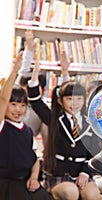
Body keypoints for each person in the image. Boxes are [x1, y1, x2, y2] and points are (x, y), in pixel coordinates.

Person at [27, 60, 102, 199]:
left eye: (79, 99)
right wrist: (35, 75)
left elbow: (94, 152)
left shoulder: (90, 122)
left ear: (84, 100)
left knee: (93, 195)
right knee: (71, 192)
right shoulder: (54, 119)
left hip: (81, 173)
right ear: (61, 101)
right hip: (58, 174)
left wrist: (85, 172)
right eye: (69, 99)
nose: (75, 103)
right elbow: (36, 102)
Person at [0, 52, 52, 200]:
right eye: (13, 104)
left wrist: (35, 177)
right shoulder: (2, 125)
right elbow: (3, 98)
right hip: (5, 182)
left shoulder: (27, 131)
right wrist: (15, 71)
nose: (18, 109)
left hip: (25, 180)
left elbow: (34, 159)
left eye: (22, 105)